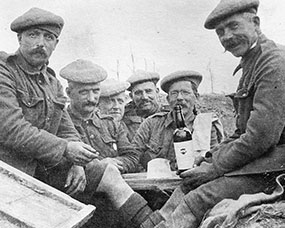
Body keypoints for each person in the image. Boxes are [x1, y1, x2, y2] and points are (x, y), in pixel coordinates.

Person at [76, 0, 285, 227]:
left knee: (199, 198)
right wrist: (208, 160)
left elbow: (260, 137)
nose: (227, 36)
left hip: (272, 165)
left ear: (255, 23)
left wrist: (213, 168)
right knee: (187, 187)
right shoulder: (251, 62)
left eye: (234, 26)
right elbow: (240, 132)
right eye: (221, 32)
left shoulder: (273, 62)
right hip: (259, 160)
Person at [0, 7, 99, 196]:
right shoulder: (4, 70)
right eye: (33, 35)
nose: (40, 43)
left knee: (106, 173)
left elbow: (67, 129)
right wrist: (65, 149)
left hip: (41, 171)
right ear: (19, 39)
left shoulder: (52, 82)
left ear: (56, 43)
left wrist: (77, 163)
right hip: (8, 175)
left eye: (48, 37)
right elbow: (11, 128)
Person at [60, 59, 139, 228]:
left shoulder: (111, 123)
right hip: (82, 206)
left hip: (118, 204)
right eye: (84, 92)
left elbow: (132, 156)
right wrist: (101, 167)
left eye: (96, 91)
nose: (91, 98)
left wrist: (116, 163)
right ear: (68, 92)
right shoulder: (60, 125)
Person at [133, 70, 224, 172]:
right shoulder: (151, 124)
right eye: (174, 93)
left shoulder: (207, 126)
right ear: (168, 99)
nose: (179, 98)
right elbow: (133, 156)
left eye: (185, 92)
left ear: (196, 97)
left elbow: (213, 161)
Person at [123, 69, 166, 140]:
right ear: (131, 96)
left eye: (148, 91)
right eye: (138, 93)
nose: (144, 97)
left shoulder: (169, 114)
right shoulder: (124, 117)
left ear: (157, 91)